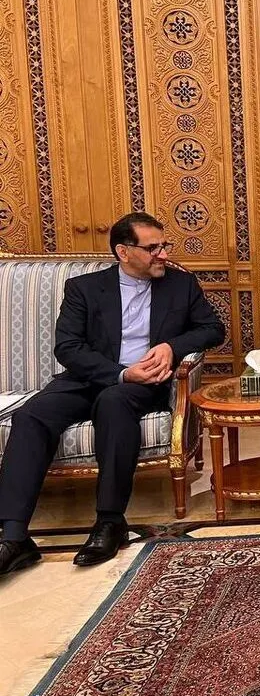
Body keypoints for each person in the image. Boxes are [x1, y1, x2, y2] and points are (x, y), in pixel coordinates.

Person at [0, 212, 225, 575]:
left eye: (164, 245)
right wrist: (120, 373)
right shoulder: (85, 288)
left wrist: (171, 346)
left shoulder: (180, 285)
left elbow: (213, 329)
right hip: (88, 378)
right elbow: (68, 347)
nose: (163, 254)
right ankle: (14, 538)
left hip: (144, 384)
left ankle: (109, 521)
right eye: (153, 248)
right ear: (123, 251)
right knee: (31, 415)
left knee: (113, 403)